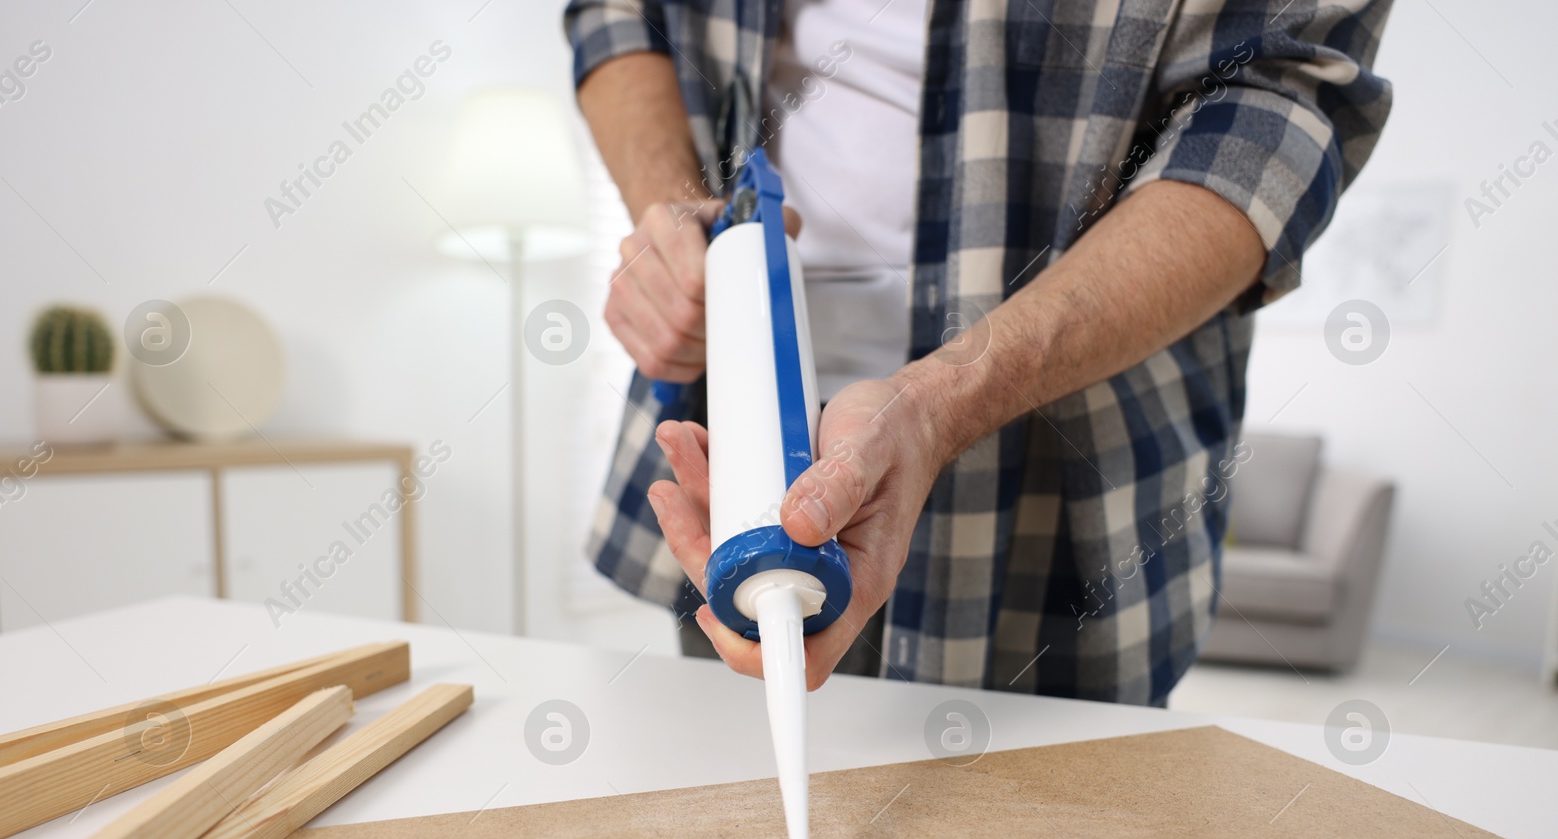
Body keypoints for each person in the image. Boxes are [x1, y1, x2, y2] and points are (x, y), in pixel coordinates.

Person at [565, 0, 1392, 704]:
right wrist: (669, 211)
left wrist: (940, 403)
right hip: (730, 467)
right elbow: (616, 14)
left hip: (1067, 493)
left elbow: (1273, 107)